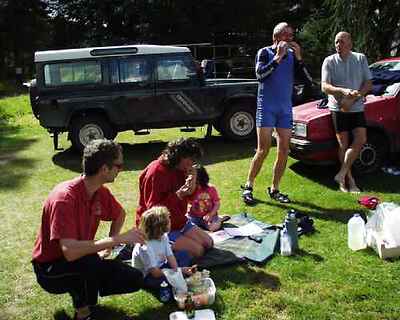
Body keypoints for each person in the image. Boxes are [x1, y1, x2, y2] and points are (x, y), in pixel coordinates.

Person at [32, 139, 145, 320]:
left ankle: (85, 296)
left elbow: (119, 214)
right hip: (49, 269)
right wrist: (117, 240)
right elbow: (69, 252)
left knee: (134, 278)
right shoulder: (64, 198)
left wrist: (108, 246)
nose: (121, 169)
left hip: (79, 259)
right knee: (90, 266)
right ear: (104, 169)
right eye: (119, 165)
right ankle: (85, 313)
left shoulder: (100, 192)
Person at [241, 22, 313, 205]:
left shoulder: (292, 56)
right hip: (266, 107)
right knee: (263, 150)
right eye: (286, 35)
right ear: (276, 37)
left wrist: (298, 58)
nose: (290, 39)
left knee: (284, 150)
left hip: (284, 109)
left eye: (291, 35)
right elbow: (260, 76)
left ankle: (275, 188)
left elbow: (308, 80)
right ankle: (248, 186)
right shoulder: (265, 53)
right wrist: (278, 58)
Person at [136, 138, 213, 258]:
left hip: (178, 221)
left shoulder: (181, 168)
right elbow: (153, 211)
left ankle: (171, 246)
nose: (192, 163)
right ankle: (157, 249)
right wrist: (178, 195)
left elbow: (191, 198)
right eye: (191, 159)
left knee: (208, 243)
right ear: (180, 156)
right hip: (158, 227)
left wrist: (192, 181)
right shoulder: (156, 172)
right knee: (198, 251)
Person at [321, 31, 372, 193]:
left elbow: (368, 83)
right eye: (336, 42)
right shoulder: (329, 61)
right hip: (338, 108)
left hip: (356, 106)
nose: (338, 45)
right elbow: (325, 86)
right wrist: (342, 92)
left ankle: (342, 173)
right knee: (343, 144)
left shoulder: (360, 58)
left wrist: (354, 97)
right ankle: (348, 181)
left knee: (361, 139)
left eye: (342, 42)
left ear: (350, 44)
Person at [132, 206, 195, 290]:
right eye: (168, 220)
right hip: (148, 275)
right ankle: (174, 280)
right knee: (163, 282)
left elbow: (170, 255)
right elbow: (155, 273)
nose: (170, 221)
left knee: (184, 255)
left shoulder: (163, 236)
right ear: (160, 228)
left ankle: (177, 277)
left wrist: (177, 270)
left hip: (161, 267)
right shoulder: (145, 248)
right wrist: (180, 271)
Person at [187, 166, 230, 232]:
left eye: (192, 178)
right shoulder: (189, 190)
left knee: (212, 228)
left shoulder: (211, 189)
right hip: (194, 216)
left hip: (209, 216)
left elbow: (217, 204)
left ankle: (219, 219)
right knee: (189, 229)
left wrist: (211, 214)